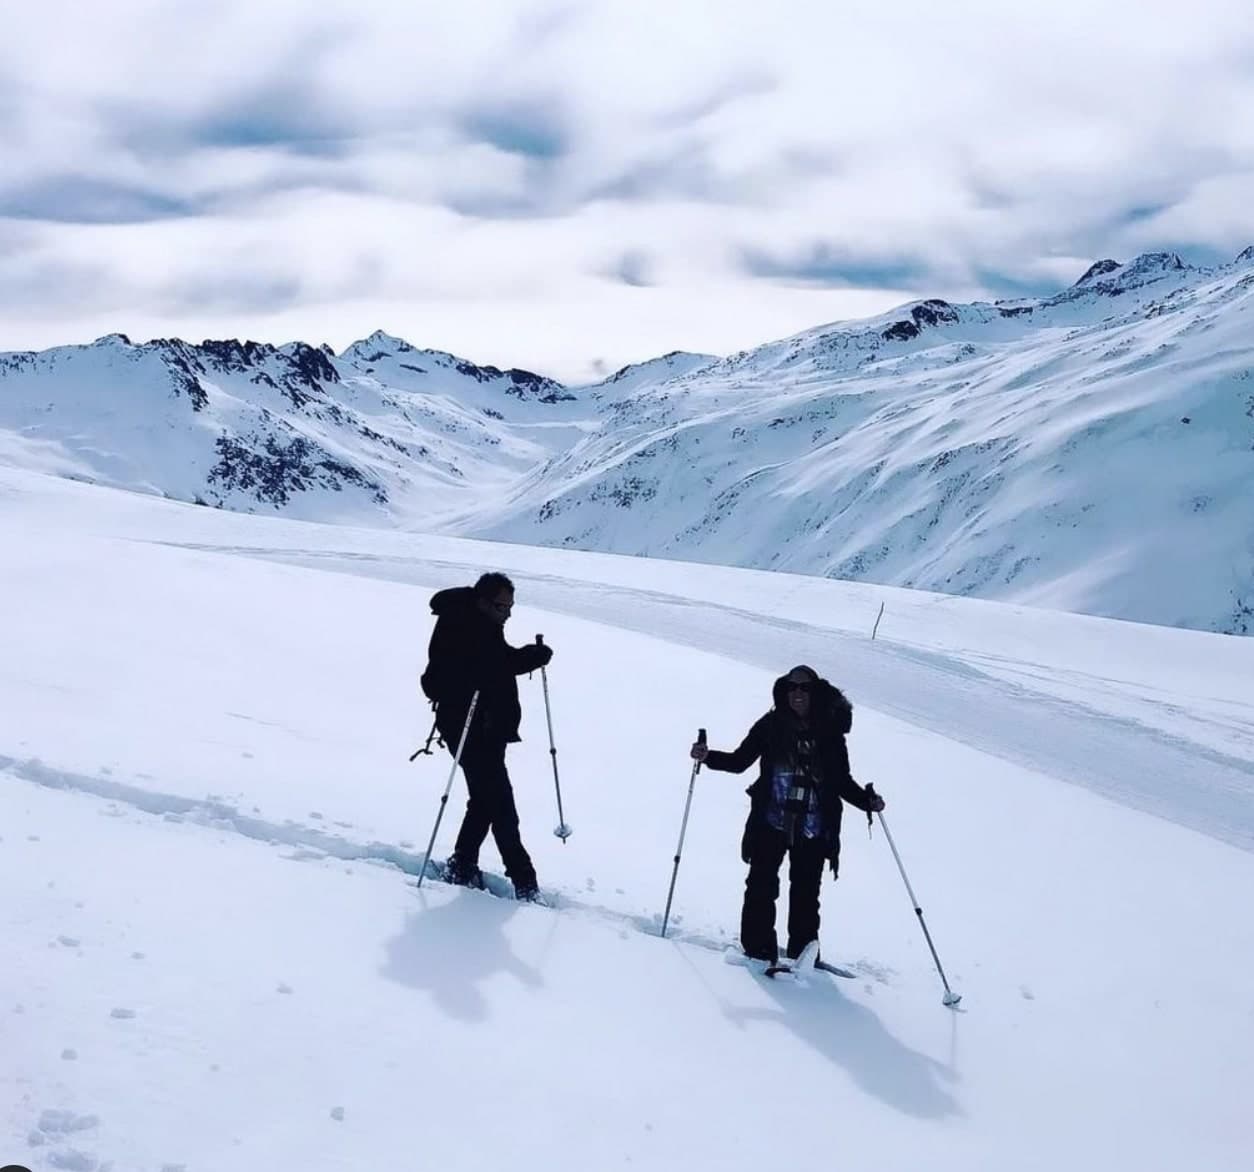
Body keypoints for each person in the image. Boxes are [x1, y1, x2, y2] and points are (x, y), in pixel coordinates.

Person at [691, 665, 885, 965]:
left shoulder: (831, 733)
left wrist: (867, 802)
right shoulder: (771, 725)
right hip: (771, 821)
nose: (797, 693)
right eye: (791, 687)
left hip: (814, 826)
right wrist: (708, 757)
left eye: (804, 688)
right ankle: (757, 951)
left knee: (806, 895)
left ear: (815, 693)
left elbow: (840, 781)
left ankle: (804, 957)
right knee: (761, 885)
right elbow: (740, 760)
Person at [420, 572, 553, 902]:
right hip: (468, 728)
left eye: (510, 607)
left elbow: (498, 660)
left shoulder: (479, 620)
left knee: (484, 800)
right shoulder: (463, 626)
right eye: (500, 606)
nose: (507, 613)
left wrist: (526, 658)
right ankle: (525, 882)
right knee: (500, 804)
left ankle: (462, 865)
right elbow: (495, 663)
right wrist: (532, 657)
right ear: (481, 602)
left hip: (484, 727)